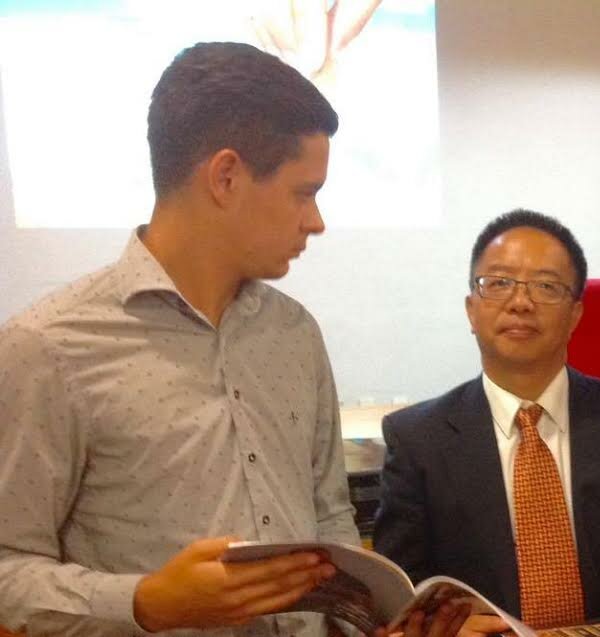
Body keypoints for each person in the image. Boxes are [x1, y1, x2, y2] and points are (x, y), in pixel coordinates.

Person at [0, 42, 467, 637]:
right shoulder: (49, 347)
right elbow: (7, 569)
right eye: (304, 192)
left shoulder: (295, 333)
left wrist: (373, 621)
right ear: (226, 177)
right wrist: (147, 603)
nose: (317, 221)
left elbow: (330, 520)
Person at [374, 210, 600, 636]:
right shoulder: (417, 439)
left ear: (576, 314)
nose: (520, 303)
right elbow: (403, 586)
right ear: (471, 310)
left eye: (545, 286)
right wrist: (441, 628)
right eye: (499, 283)